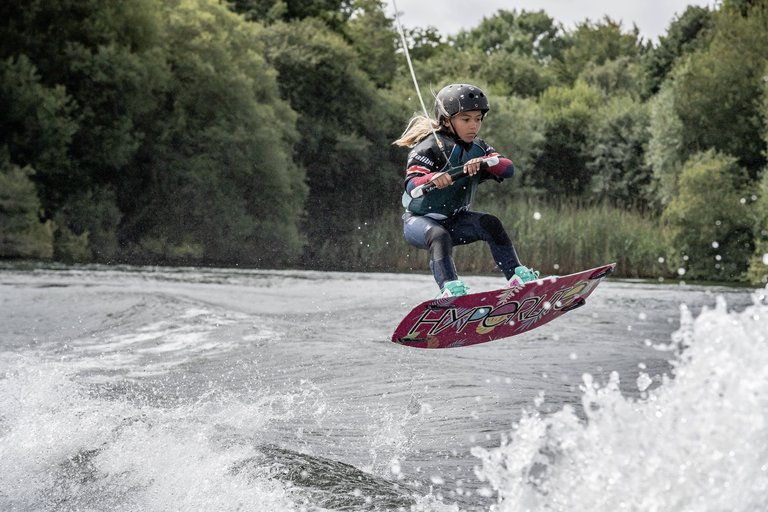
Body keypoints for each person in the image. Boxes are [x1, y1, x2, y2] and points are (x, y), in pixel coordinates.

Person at [393, 83, 539, 298]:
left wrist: (484, 163)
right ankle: (451, 290)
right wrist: (434, 178)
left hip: (456, 220)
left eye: (478, 119)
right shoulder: (429, 147)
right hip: (421, 222)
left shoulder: (479, 147)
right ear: (446, 119)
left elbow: (508, 168)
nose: (474, 126)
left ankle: (516, 278)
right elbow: (411, 185)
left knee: (491, 223)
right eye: (466, 119)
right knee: (439, 235)